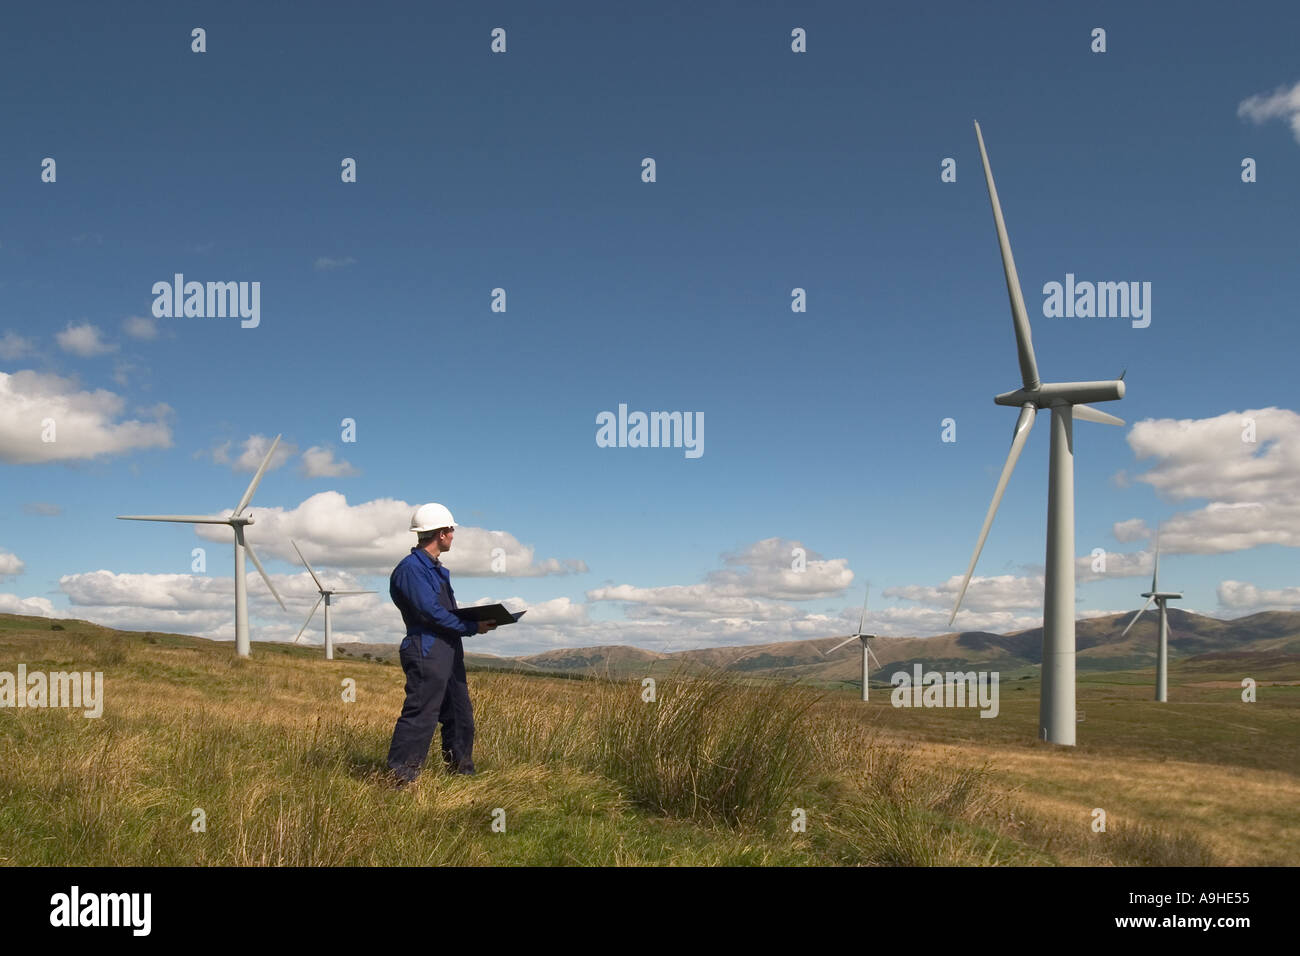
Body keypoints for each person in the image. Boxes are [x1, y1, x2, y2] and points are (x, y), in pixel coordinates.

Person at [386, 502, 496, 786]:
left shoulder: (435, 569)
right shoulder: (411, 569)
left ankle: (461, 774)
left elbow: (443, 611)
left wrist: (474, 622)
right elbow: (429, 613)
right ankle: (401, 778)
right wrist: (472, 627)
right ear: (442, 533)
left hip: (448, 649)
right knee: (421, 714)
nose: (453, 536)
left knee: (459, 715)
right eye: (451, 530)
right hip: (426, 648)